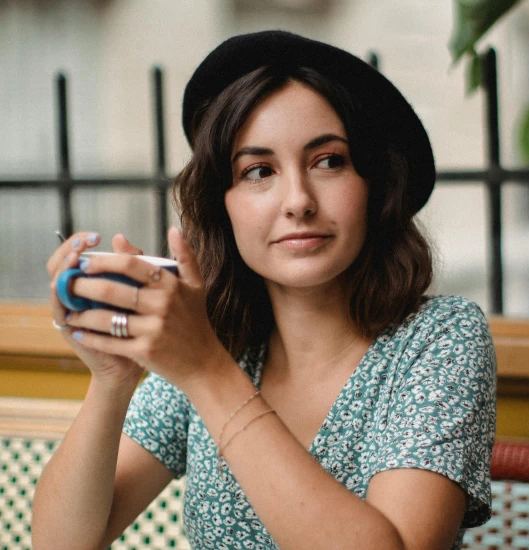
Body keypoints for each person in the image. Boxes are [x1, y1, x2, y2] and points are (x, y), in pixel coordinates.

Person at [33, 30, 497, 550]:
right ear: (222, 207)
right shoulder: (217, 339)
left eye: (329, 161)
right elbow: (62, 543)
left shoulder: (440, 338)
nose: (297, 200)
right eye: (258, 171)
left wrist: (207, 372)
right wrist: (112, 379)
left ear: (375, 186)